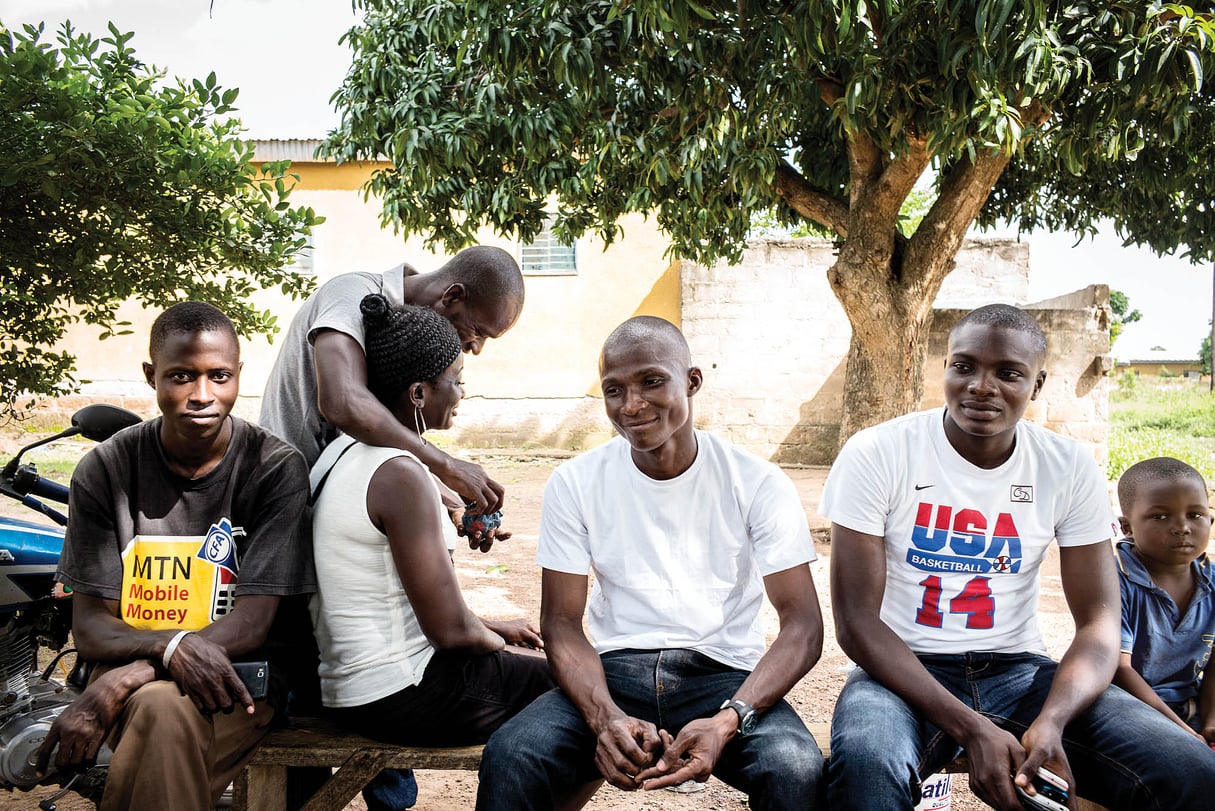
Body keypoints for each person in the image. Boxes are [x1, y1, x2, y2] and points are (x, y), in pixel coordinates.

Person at [821, 303, 1215, 810]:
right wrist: (973, 728)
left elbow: (1098, 627)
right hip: (901, 672)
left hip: (1020, 673)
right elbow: (855, 622)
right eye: (964, 366)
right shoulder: (878, 451)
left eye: (1008, 373)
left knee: (1194, 774)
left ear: (1038, 383)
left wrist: (1051, 720)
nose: (982, 386)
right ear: (945, 367)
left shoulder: (1067, 465)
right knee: (865, 771)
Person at [476, 316, 826, 810]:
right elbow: (561, 622)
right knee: (513, 754)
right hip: (615, 674)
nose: (632, 404)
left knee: (795, 770)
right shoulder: (576, 482)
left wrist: (729, 719)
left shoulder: (757, 483)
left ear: (692, 381)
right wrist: (604, 719)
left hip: (724, 675)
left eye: (651, 381)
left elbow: (804, 626)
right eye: (613, 389)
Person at [36, 302, 313, 811]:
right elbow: (92, 627)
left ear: (238, 377)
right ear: (152, 376)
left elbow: (252, 622)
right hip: (129, 683)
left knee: (160, 711)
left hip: (239, 680)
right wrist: (168, 653)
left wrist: (136, 670)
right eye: (182, 376)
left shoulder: (272, 469)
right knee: (161, 710)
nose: (203, 395)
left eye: (219, 376)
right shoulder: (107, 469)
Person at [309, 294, 553, 744]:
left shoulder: (342, 452)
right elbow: (453, 634)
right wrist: (504, 646)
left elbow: (386, 598)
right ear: (419, 393)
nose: (463, 393)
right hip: (405, 692)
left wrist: (491, 626)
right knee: (583, 691)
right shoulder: (400, 474)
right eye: (457, 380)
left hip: (353, 686)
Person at [259, 245, 524, 513]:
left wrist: (448, 502)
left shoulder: (410, 330)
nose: (476, 348)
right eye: (479, 331)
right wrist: (446, 465)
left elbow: (382, 437)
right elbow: (343, 402)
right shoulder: (351, 293)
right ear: (453, 295)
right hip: (282, 497)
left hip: (327, 498)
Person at [1113, 456, 1215, 744]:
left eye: (1195, 515)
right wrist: (1184, 734)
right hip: (1126, 709)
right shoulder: (1114, 579)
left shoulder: (1212, 580)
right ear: (1127, 527)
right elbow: (1119, 669)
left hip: (1191, 708)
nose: (1181, 527)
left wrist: (1210, 723)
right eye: (1160, 516)